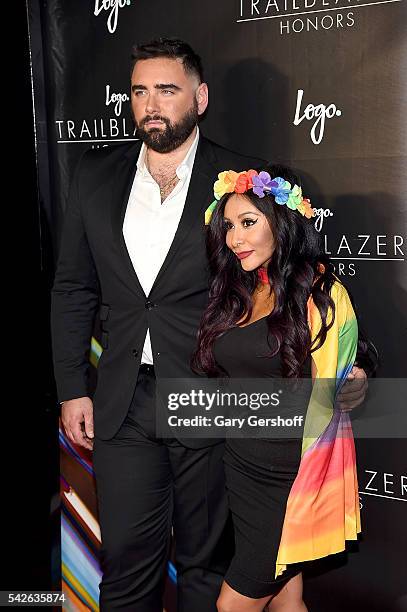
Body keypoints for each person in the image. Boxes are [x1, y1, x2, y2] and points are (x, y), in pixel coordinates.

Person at [50, 39, 368, 611]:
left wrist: (354, 362)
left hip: (213, 398)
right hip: (122, 398)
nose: (151, 104)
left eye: (166, 90)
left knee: (205, 567)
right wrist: (73, 387)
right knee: (125, 567)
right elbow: (74, 286)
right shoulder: (95, 173)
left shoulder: (240, 182)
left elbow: (296, 280)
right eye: (139, 91)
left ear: (198, 98)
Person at [193, 166, 367, 612]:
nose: (234, 239)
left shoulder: (322, 292)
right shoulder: (240, 289)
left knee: (232, 606)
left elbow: (346, 364)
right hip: (243, 468)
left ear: (282, 221)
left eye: (248, 223)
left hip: (292, 477)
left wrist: (357, 375)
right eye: (229, 226)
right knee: (287, 601)